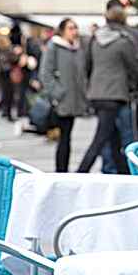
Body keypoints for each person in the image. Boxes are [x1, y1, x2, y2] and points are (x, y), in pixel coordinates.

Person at [80, 0, 138, 173]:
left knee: (110, 138)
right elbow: (136, 68)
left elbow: (87, 65)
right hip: (117, 94)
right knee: (112, 138)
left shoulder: (95, 39)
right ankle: (81, 171)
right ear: (123, 20)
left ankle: (115, 170)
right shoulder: (124, 41)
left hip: (97, 93)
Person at [39, 18, 90, 172]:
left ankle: (63, 169)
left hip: (74, 99)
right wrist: (57, 93)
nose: (74, 31)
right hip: (61, 100)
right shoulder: (54, 46)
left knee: (67, 136)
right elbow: (45, 73)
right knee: (63, 137)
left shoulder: (77, 48)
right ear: (62, 30)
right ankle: (61, 170)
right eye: (70, 28)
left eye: (75, 27)